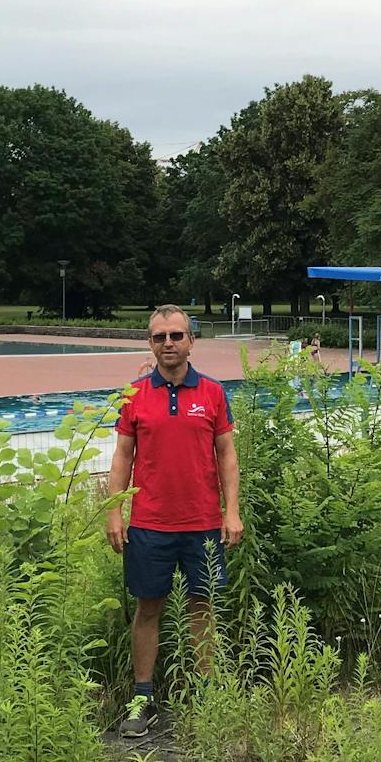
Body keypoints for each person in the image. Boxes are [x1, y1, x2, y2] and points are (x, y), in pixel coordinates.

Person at [106, 304, 242, 738]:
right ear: (150, 343)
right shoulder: (134, 395)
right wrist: (115, 511)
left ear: (191, 341)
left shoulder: (214, 394)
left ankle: (205, 694)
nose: (168, 344)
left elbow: (227, 455)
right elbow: (122, 457)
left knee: (202, 608)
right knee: (149, 608)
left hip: (202, 523)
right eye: (160, 337)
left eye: (176, 336)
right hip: (149, 523)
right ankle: (141, 697)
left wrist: (231, 511)